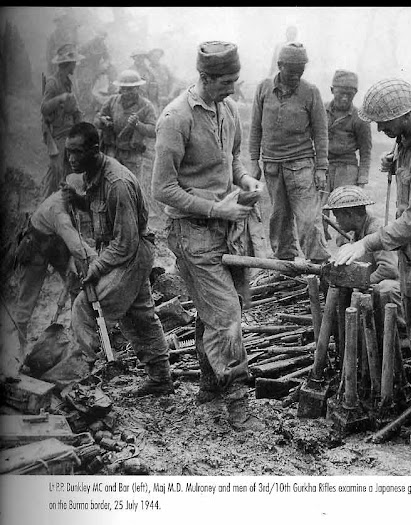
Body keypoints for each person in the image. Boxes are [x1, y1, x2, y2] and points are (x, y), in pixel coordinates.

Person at [152, 41, 265, 429]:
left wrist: (246, 180)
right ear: (204, 77)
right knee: (226, 312)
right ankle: (237, 400)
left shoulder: (227, 109)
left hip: (224, 230)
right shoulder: (175, 118)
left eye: (236, 80)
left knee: (215, 308)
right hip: (192, 232)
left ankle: (209, 384)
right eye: (226, 82)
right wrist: (217, 209)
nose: (233, 88)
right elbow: (162, 188)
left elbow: (233, 160)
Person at [334, 78, 411, 364]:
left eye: (383, 123)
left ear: (403, 115)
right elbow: (407, 157)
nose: (379, 129)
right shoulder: (409, 132)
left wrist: (366, 243)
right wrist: (396, 160)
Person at [63, 122, 174, 396]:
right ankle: (160, 379)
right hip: (121, 251)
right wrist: (78, 202)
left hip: (131, 254)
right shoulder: (93, 174)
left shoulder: (117, 183)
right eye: (68, 152)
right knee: (139, 316)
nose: (71, 159)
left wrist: (97, 267)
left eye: (77, 152)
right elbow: (103, 213)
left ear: (95, 150)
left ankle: (82, 381)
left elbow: (125, 243)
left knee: (85, 307)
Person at [249, 42, 330, 264]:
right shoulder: (263, 88)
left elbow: (321, 132)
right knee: (279, 216)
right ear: (280, 65)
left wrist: (321, 168)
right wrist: (254, 161)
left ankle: (318, 263)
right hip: (272, 165)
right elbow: (255, 127)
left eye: (300, 70)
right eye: (292, 70)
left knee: (308, 218)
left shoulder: (310, 92)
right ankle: (285, 262)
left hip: (301, 165)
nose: (296, 75)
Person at [12, 175, 97, 349]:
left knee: (76, 283)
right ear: (72, 193)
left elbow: (75, 234)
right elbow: (75, 242)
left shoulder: (69, 203)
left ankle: (76, 334)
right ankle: (19, 346)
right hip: (35, 247)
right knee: (27, 299)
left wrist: (73, 259)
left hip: (56, 245)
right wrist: (96, 258)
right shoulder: (58, 210)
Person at [323, 185, 400, 304]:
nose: (337, 221)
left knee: (386, 288)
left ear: (350, 214)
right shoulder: (357, 232)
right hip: (373, 284)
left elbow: (389, 269)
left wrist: (362, 284)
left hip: (397, 286)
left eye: (338, 216)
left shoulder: (377, 230)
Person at [323, 70, 372, 242]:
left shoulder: (360, 118)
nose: (345, 98)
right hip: (323, 165)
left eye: (349, 94)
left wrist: (362, 179)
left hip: (347, 168)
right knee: (319, 208)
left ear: (355, 94)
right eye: (341, 93)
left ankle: (345, 245)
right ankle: (319, 246)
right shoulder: (321, 111)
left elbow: (366, 150)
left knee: (346, 208)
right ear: (332, 90)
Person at [94, 69, 156, 184]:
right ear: (120, 89)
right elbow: (97, 120)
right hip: (112, 152)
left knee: (132, 185)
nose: (127, 92)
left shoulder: (146, 106)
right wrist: (104, 122)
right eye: (124, 88)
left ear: (138, 88)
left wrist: (138, 124)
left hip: (132, 155)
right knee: (109, 184)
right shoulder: (112, 101)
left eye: (131, 89)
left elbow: (153, 131)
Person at [41, 43, 84, 199]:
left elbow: (74, 108)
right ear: (68, 64)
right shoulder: (53, 82)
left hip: (69, 134)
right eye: (74, 63)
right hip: (58, 136)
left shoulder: (67, 82)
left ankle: (65, 204)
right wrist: (60, 98)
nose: (75, 66)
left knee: (69, 172)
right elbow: (44, 108)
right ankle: (44, 205)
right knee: (56, 174)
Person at [46, 9, 80, 75]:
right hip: (58, 66)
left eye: (63, 20)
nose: (61, 23)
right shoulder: (53, 36)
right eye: (59, 21)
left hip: (69, 66)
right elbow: (49, 55)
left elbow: (75, 48)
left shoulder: (71, 34)